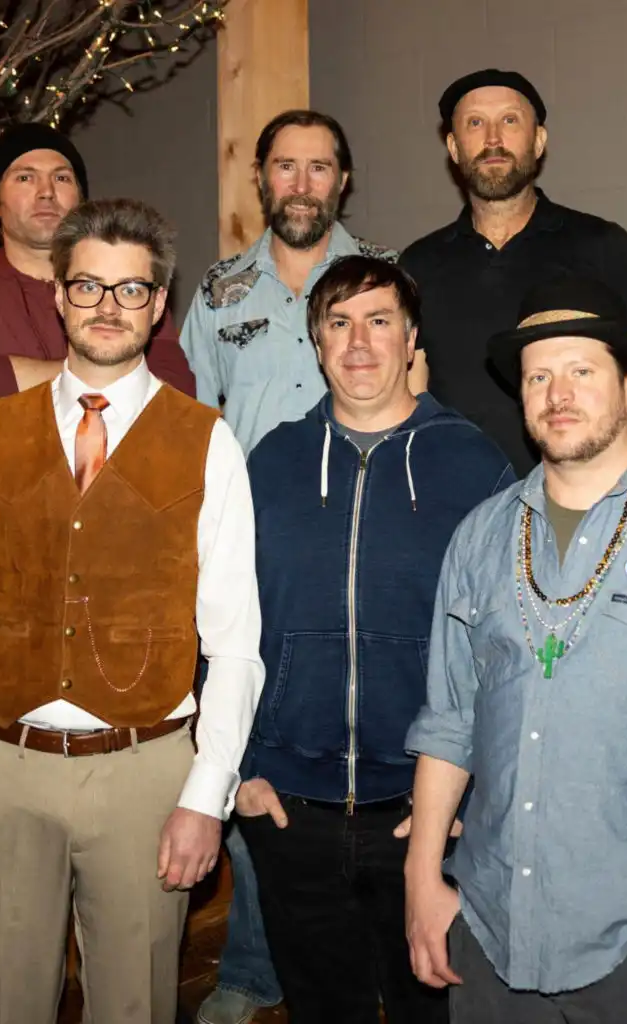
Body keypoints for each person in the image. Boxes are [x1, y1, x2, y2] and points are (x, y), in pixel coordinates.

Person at [0, 197, 264, 1024]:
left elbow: (236, 643)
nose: (108, 306)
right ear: (59, 296)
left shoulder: (207, 441)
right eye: (88, 286)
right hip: (3, 764)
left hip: (144, 769)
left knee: (135, 1007)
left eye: (131, 289)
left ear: (158, 305)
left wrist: (204, 795)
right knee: (2, 1005)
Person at [235, 255, 512, 1022]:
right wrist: (243, 771)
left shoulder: (474, 465)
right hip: (289, 811)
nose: (359, 343)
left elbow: (509, 649)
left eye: (380, 321)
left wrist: (476, 794)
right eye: (339, 323)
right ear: (317, 343)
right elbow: (221, 621)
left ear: (412, 339)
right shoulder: (270, 463)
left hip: (427, 814)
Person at [404, 276, 627, 1023]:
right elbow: (449, 721)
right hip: (489, 935)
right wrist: (421, 880)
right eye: (538, 377)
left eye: (581, 371)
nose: (557, 393)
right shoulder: (481, 534)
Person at [180, 108, 398, 1024]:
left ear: (342, 179)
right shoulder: (218, 292)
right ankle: (251, 967)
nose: (302, 184)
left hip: (362, 549)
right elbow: (192, 422)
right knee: (245, 750)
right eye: (285, 166)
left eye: (319, 166)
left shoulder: (386, 276)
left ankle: (378, 957)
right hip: (255, 557)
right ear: (262, 178)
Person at [400, 68, 627, 477]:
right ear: (454, 148)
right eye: (475, 123)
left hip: (587, 503)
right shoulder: (418, 264)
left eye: (510, 120)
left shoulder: (602, 246)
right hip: (456, 504)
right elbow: (410, 405)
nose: (493, 138)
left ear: (539, 140)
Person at [0, 122, 194, 459]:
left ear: (80, 200)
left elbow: (175, 391)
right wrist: (111, 371)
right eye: (25, 177)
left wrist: (19, 376)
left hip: (128, 478)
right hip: (6, 483)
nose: (46, 192)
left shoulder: (129, 288)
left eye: (62, 178)